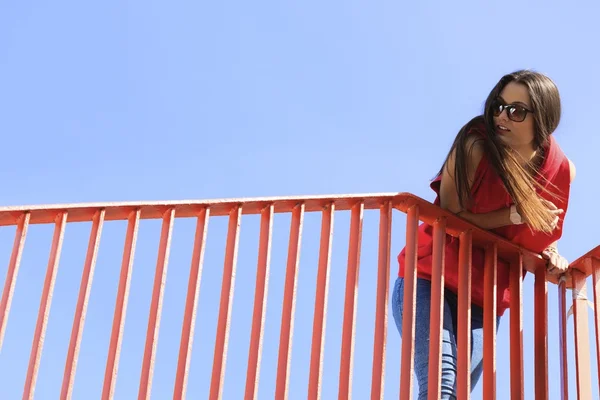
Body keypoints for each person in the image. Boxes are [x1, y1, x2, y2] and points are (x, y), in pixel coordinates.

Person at [393, 70, 575, 399]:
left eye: (516, 110)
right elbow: (447, 216)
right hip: (428, 276)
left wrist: (551, 252)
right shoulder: (475, 143)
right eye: (498, 106)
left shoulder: (560, 168)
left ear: (543, 118)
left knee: (458, 393)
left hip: (485, 294)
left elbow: (547, 225)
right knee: (443, 383)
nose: (502, 117)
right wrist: (509, 215)